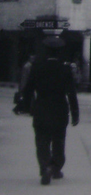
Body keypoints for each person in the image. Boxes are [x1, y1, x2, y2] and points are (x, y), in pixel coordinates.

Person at [15, 36, 80, 185]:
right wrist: (75, 113)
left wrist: (24, 107)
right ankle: (55, 168)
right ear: (59, 52)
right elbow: (71, 93)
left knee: (42, 140)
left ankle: (45, 167)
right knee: (59, 140)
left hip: (41, 108)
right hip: (60, 110)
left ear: (46, 51)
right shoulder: (65, 69)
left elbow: (28, 90)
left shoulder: (37, 67)